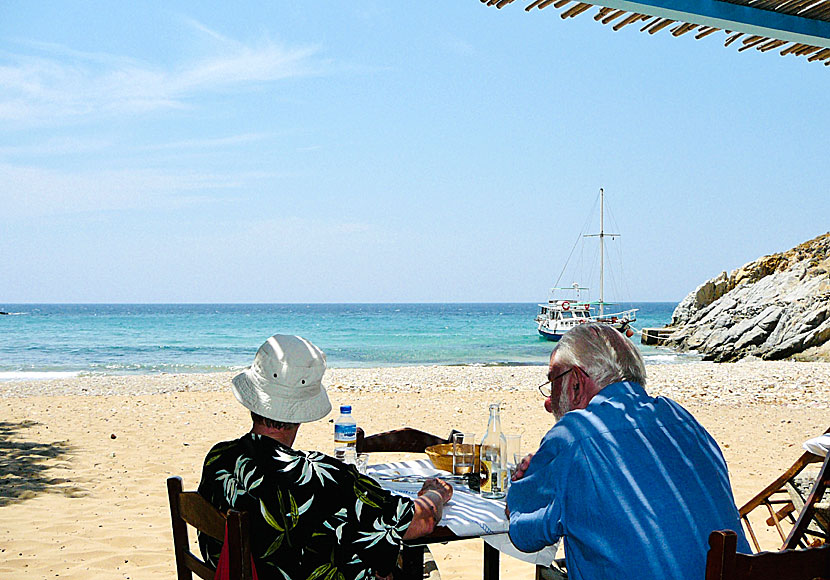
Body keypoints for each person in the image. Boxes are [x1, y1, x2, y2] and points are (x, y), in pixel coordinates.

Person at [507, 323, 750, 580]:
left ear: (576, 383)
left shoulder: (577, 434)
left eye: (553, 383)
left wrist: (528, 487)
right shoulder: (680, 418)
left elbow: (523, 531)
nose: (548, 402)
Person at [198, 334, 452, 579]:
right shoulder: (322, 477)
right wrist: (434, 494)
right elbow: (422, 520)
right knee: (418, 559)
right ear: (301, 409)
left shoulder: (220, 457)